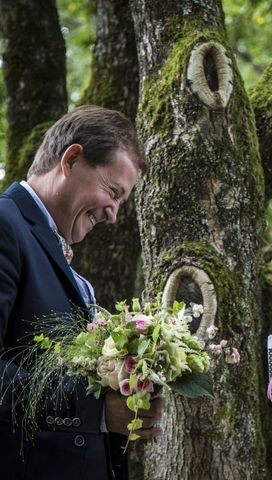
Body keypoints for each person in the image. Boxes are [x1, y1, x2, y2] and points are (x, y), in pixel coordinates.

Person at [0, 105, 162, 480]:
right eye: (112, 191)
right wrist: (95, 409)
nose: (113, 215)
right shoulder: (6, 225)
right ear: (71, 159)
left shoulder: (60, 259)